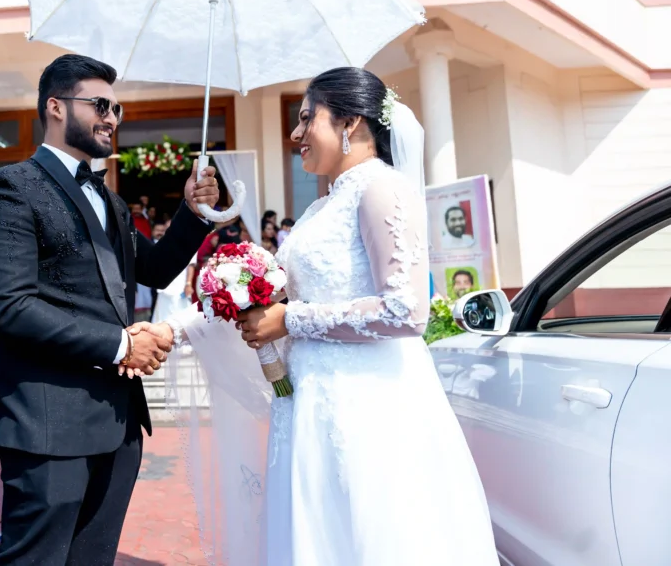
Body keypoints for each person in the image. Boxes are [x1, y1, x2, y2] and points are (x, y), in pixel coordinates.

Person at [134, 68, 496, 565]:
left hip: (366, 405)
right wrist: (172, 330)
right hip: (309, 405)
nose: (295, 134)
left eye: (308, 119)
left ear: (349, 122)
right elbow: (269, 302)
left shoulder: (382, 190)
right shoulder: (319, 209)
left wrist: (291, 321)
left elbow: (405, 311)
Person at [0, 53, 219, 566]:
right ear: (56, 107)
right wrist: (123, 342)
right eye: (100, 104)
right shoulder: (8, 187)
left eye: (117, 108)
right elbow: (12, 307)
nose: (112, 118)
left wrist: (193, 215)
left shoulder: (114, 202)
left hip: (118, 420)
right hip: (45, 422)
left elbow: (158, 270)